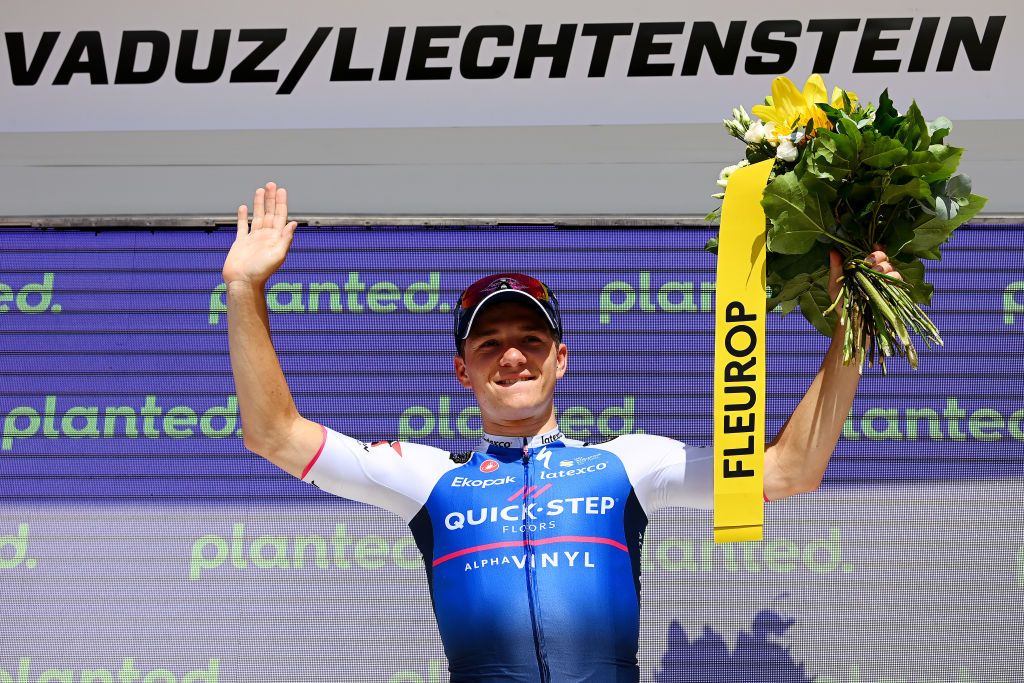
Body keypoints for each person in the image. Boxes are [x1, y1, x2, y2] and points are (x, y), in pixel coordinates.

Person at [223, 181, 902, 682]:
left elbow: (789, 470)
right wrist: (244, 289)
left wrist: (853, 326)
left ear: (562, 357)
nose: (512, 354)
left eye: (530, 338)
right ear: (463, 370)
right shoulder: (429, 477)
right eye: (489, 343)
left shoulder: (628, 462)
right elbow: (275, 434)